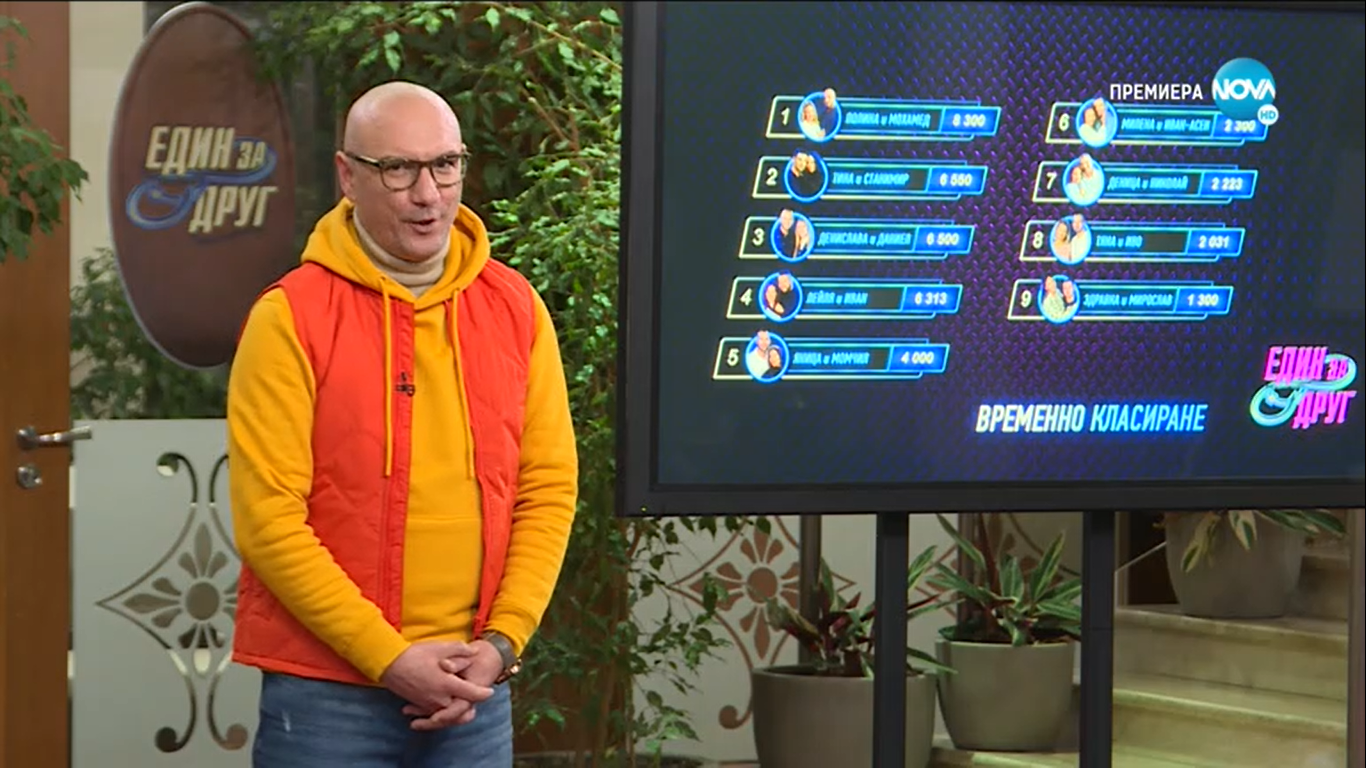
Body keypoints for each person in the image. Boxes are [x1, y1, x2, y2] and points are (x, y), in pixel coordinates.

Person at [226, 80, 579, 767]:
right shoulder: (289, 317)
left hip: (475, 686)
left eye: (445, 165)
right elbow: (269, 521)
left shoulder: (515, 308)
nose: (428, 194)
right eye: (399, 169)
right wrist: (389, 658)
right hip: (328, 696)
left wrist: (503, 641)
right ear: (348, 176)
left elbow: (548, 488)